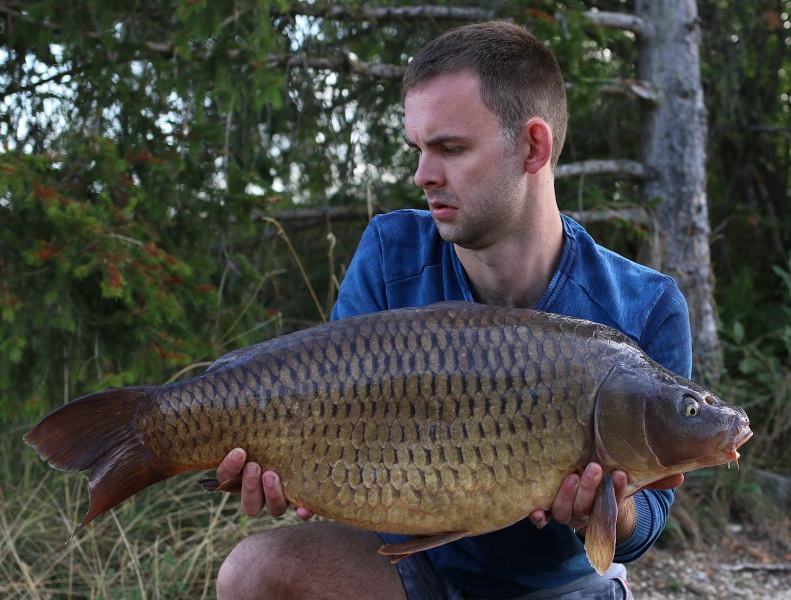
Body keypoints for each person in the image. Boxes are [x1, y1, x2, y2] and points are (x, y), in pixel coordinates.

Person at [214, 20, 691, 600]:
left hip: (561, 589)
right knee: (251, 572)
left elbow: (648, 524)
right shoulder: (391, 254)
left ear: (532, 146)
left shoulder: (646, 304)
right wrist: (290, 465)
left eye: (450, 148)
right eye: (419, 149)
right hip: (408, 572)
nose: (422, 175)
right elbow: (328, 411)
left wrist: (612, 513)